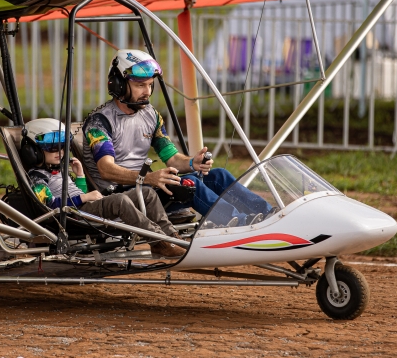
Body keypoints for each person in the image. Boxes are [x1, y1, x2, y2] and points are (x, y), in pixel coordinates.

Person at [82, 49, 271, 226]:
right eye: (140, 85)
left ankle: (270, 215)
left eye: (150, 84)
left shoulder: (151, 115)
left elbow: (171, 158)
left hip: (145, 189)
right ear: (119, 85)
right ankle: (242, 223)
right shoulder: (99, 122)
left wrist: (192, 163)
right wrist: (148, 178)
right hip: (118, 198)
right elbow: (106, 169)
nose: (147, 92)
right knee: (189, 185)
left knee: (218, 175)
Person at [23, 118, 185, 258]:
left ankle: (172, 237)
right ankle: (160, 242)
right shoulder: (37, 177)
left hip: (84, 209)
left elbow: (78, 194)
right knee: (119, 200)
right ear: (33, 151)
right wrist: (85, 197)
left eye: (63, 146)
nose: (60, 152)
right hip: (74, 217)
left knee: (147, 193)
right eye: (52, 147)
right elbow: (49, 205)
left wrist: (80, 176)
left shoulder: (60, 170)